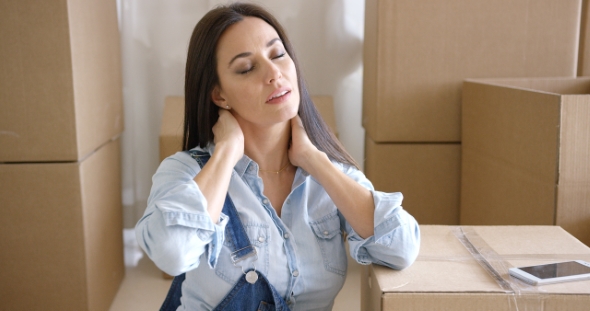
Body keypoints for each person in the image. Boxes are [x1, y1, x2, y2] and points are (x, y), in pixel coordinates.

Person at [135, 2, 420, 310]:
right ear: (220, 95)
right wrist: (227, 152)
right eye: (247, 68)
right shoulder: (185, 171)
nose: (274, 74)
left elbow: (401, 247)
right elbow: (173, 252)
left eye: (278, 54)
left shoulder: (327, 175)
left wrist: (314, 160)